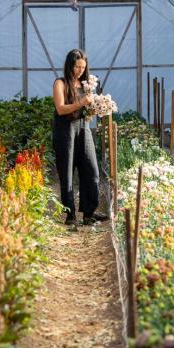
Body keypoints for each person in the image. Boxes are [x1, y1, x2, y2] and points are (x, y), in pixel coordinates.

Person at [52, 49, 107, 227]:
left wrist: (98, 106)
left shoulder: (86, 86)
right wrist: (81, 103)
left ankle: (89, 213)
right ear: (69, 65)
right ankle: (70, 216)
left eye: (83, 67)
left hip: (84, 129)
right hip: (65, 131)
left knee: (91, 170)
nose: (80, 71)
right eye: (77, 67)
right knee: (66, 173)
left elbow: (88, 110)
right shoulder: (60, 84)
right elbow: (60, 109)